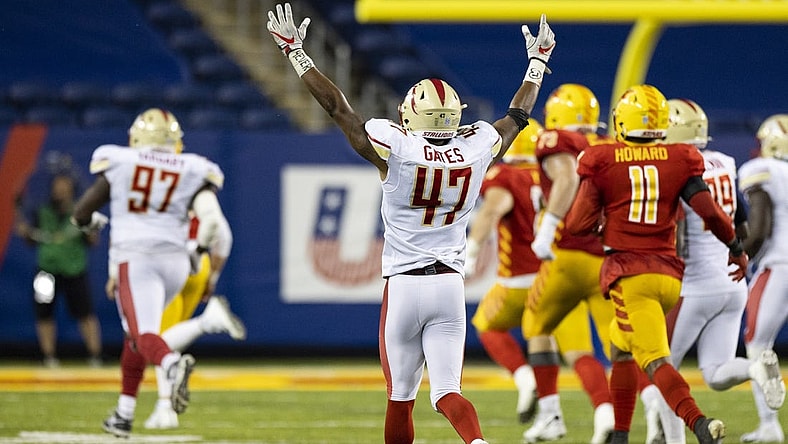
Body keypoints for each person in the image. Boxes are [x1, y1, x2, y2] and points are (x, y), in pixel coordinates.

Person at [266, 3, 555, 443]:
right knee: (447, 394)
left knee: (400, 397)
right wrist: (537, 63)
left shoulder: (395, 145)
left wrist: (296, 53)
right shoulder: (477, 147)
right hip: (449, 288)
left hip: (403, 286)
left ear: (410, 114)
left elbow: (340, 111)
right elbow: (515, 119)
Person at [565, 84, 749, 444]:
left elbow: (576, 225)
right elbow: (709, 212)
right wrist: (736, 246)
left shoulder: (602, 159)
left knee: (655, 361)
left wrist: (605, 224)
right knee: (620, 347)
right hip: (669, 277)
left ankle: (699, 423)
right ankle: (620, 435)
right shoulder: (680, 158)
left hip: (630, 276)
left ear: (622, 121)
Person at [72, 108, 233, 438]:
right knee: (136, 338)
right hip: (176, 263)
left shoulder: (119, 161)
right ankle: (124, 413)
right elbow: (213, 223)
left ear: (136, 138)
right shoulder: (192, 167)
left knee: (143, 335)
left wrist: (88, 223)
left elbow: (81, 211)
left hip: (138, 259)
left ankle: (171, 365)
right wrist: (197, 252)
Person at [639, 99, 785, 444]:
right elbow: (742, 225)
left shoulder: (675, 165)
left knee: (662, 371)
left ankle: (674, 441)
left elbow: (675, 234)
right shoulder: (725, 163)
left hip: (695, 283)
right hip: (732, 281)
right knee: (716, 372)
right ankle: (753, 368)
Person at [520, 83, 614, 444]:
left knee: (537, 328)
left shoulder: (555, 141)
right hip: (607, 260)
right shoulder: (606, 146)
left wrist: (547, 228)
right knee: (623, 348)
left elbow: (567, 178)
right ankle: (643, 416)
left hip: (568, 257)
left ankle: (551, 415)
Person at [142, 198, 246, 431]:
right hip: (199, 265)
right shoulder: (198, 191)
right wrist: (213, 277)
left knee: (158, 343)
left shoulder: (158, 188)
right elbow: (224, 237)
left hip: (169, 263)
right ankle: (165, 409)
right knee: (171, 341)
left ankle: (207, 322)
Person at [465, 120, 543, 424]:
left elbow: (492, 210)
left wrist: (470, 254)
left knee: (487, 324)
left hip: (519, 278)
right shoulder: (555, 172)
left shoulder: (508, 177)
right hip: (556, 276)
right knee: (557, 343)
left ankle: (526, 381)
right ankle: (559, 414)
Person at [15, 169, 103, 368]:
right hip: (46, 270)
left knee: (85, 314)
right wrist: (23, 231)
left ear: (71, 189)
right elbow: (31, 238)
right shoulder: (42, 211)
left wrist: (90, 225)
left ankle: (95, 356)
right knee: (44, 314)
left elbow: (93, 241)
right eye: (58, 186)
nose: (61, 190)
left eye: (64, 186)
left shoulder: (81, 210)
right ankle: (49, 357)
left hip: (75, 269)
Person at [736, 113, 788, 443]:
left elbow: (759, 230)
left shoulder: (761, 171)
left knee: (757, 345)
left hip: (779, 265)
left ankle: (770, 425)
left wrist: (739, 255)